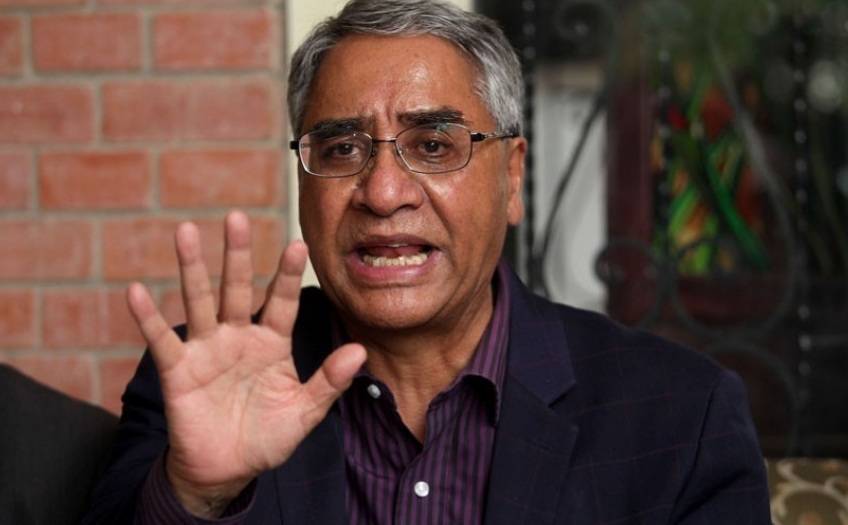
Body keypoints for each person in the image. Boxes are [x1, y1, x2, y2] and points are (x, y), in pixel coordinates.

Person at [81, 0, 772, 523]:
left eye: (434, 146)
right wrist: (194, 494)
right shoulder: (201, 384)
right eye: (342, 149)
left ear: (512, 177)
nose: (383, 193)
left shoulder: (682, 416)